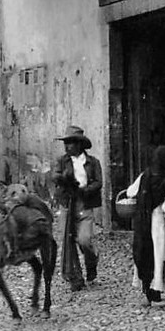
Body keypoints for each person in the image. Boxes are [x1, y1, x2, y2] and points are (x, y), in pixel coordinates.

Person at [127, 144, 165, 305]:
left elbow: (130, 192)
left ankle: (146, 289)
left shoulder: (144, 175)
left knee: (142, 252)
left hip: (142, 219)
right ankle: (155, 294)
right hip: (158, 221)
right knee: (158, 255)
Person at [53, 124, 102, 291]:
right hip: (68, 204)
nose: (67, 146)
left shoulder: (92, 162)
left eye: (71, 143)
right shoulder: (62, 161)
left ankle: (91, 262)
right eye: (65, 143)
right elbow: (55, 175)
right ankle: (76, 277)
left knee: (85, 239)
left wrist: (84, 191)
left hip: (84, 204)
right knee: (68, 241)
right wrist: (64, 180)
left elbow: (98, 182)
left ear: (80, 144)